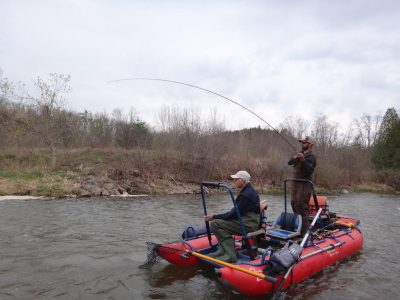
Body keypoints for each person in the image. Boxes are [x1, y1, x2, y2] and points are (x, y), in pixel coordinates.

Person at [204, 170, 260, 262]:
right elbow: (236, 213)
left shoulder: (245, 195)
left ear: (242, 180)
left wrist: (214, 216)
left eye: (236, 179)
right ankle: (223, 250)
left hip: (248, 224)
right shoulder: (249, 190)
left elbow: (233, 214)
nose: (234, 181)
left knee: (215, 224)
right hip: (248, 221)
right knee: (218, 223)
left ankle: (230, 255)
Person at [288, 136, 317, 236]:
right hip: (295, 183)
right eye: (302, 142)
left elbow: (309, 170)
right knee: (293, 203)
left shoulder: (311, 157)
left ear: (310, 145)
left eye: (305, 143)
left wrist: (303, 160)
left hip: (304, 184)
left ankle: (304, 233)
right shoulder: (299, 153)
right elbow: (289, 162)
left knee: (302, 206)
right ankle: (297, 228)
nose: (302, 144)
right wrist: (295, 157)